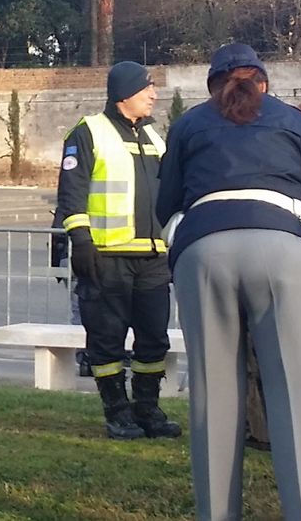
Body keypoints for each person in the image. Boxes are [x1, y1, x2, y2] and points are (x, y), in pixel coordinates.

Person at [156, 43, 301, 521]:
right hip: (283, 247)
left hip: (205, 248)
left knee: (214, 397)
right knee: (295, 393)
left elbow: (166, 203)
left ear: (213, 84)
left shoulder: (189, 123)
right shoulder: (296, 122)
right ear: (264, 80)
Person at [55, 61, 180, 440]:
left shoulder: (156, 138)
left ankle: (148, 409)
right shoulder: (88, 132)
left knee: (154, 338)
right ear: (125, 92)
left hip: (153, 258)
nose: (154, 95)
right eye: (147, 88)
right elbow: (71, 194)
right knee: (107, 340)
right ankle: (117, 412)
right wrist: (81, 241)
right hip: (105, 257)